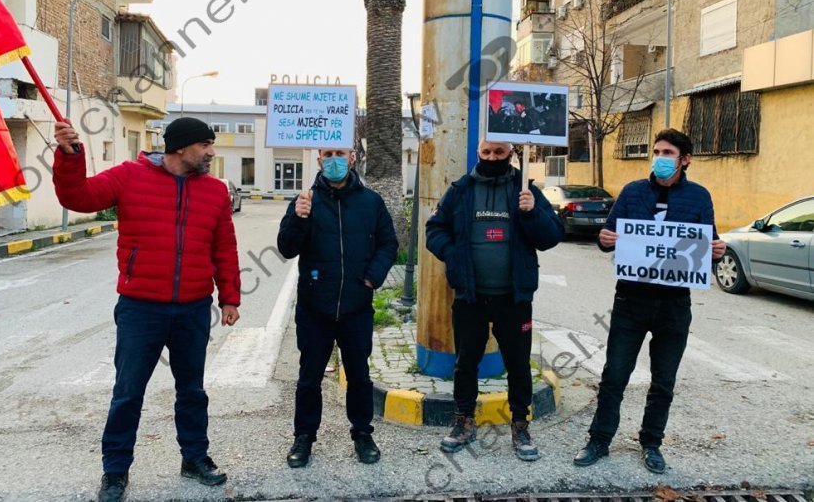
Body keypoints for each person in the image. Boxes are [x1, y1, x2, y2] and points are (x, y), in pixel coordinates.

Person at [52, 117, 241, 502]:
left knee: (192, 390)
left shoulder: (215, 191)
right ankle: (115, 471)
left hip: (192, 308)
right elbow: (79, 198)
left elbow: (224, 246)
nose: (210, 152)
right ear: (179, 148)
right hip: (141, 309)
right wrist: (70, 157)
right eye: (204, 144)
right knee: (128, 392)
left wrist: (230, 298)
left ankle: (195, 458)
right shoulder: (129, 177)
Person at [573, 128, 726, 474]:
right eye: (656, 150)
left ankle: (651, 443)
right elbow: (608, 238)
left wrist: (718, 251)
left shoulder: (699, 197)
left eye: (668, 152)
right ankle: (599, 440)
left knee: (663, 381)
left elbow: (707, 247)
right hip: (631, 301)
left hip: (674, 305)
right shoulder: (632, 192)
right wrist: (605, 239)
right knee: (614, 376)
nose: (659, 157)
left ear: (685, 160)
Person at [425, 140, 565, 461]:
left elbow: (552, 236)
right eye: (486, 153)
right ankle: (463, 420)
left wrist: (531, 214)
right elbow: (435, 228)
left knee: (518, 364)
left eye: (499, 153)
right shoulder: (461, 189)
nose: (492, 158)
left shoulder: (525, 189)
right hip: (470, 297)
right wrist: (453, 255)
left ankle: (520, 424)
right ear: (477, 153)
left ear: (511, 154)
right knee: (465, 362)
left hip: (513, 299)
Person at [277, 148, 398, 468]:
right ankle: (304, 436)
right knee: (308, 378)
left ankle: (362, 434)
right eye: (328, 154)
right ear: (318, 160)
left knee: (359, 376)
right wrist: (298, 219)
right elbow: (287, 248)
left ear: (353, 157)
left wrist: (373, 277)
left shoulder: (371, 202)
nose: (334, 160)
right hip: (315, 307)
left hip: (357, 307)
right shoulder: (305, 200)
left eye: (340, 154)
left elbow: (389, 244)